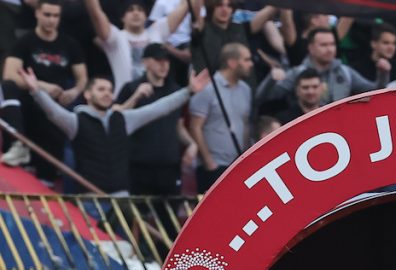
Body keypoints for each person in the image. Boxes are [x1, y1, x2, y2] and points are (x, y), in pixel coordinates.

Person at [21, 67, 209, 196]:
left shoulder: (123, 119)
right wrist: (36, 91)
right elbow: (53, 112)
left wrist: (188, 91)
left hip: (121, 197)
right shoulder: (76, 121)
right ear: (87, 94)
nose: (107, 93)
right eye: (101, 89)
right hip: (90, 198)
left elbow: (159, 108)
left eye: (110, 90)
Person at [0, 0, 87, 181]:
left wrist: (73, 92)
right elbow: (9, 75)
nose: (51, 20)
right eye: (47, 15)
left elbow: (82, 78)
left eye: (56, 16)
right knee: (8, 87)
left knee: (47, 172)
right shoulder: (25, 41)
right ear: (37, 14)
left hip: (53, 109)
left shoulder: (69, 44)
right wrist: (41, 86)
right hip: (27, 104)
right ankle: (18, 141)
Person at [117, 43, 195, 199]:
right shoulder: (131, 88)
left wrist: (192, 144)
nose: (164, 65)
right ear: (145, 62)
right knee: (137, 212)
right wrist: (135, 97)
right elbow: (117, 119)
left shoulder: (176, 91)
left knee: (169, 212)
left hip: (169, 166)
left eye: (166, 61)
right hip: (139, 166)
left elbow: (178, 126)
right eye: (158, 60)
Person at [257, 28, 387, 111]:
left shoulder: (345, 72)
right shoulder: (297, 73)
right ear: (311, 48)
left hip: (340, 128)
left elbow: (375, 93)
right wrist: (271, 79)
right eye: (324, 45)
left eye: (332, 44)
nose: (329, 49)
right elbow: (264, 98)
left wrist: (383, 73)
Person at [83, 0, 190, 94]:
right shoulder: (116, 37)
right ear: (122, 17)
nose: (136, 13)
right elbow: (95, 13)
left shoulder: (157, 31)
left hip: (156, 99)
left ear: (146, 16)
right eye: (130, 10)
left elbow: (184, 6)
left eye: (140, 10)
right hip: (125, 100)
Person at [189, 43, 252, 192]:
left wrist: (245, 158)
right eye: (246, 60)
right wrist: (209, 162)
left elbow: (245, 124)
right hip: (214, 167)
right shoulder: (208, 88)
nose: (251, 64)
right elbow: (195, 126)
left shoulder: (246, 90)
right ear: (232, 62)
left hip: (237, 166)